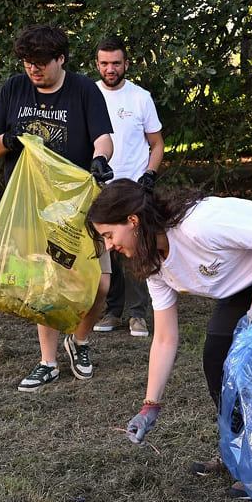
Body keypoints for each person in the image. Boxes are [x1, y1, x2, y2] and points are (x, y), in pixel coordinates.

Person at [85, 179, 252, 498]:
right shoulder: (153, 264)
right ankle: (237, 451)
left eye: (109, 235)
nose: (110, 245)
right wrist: (149, 407)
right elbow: (165, 339)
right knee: (215, 358)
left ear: (132, 220)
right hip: (244, 280)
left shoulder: (200, 225)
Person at [0, 24, 115, 392]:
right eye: (27, 62)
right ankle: (48, 362)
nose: (33, 69)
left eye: (41, 62)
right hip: (32, 205)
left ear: (61, 58)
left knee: (101, 285)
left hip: (78, 204)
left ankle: (81, 341)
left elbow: (103, 138)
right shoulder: (13, 89)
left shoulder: (84, 89)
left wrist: (100, 160)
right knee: (47, 283)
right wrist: (9, 139)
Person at [92, 37, 164, 337]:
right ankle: (112, 311)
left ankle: (137, 314)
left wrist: (150, 174)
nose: (110, 69)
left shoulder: (140, 97)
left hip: (133, 188)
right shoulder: (88, 95)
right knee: (106, 252)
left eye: (116, 63)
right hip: (99, 187)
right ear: (97, 64)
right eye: (105, 63)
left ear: (126, 64)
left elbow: (157, 143)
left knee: (134, 251)